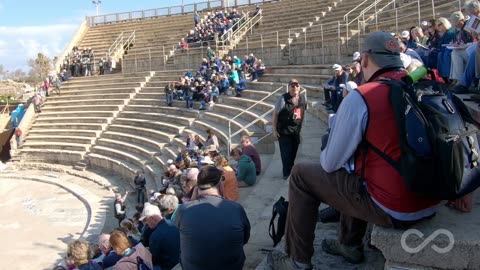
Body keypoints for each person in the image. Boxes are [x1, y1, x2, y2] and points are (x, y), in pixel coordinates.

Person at [266, 31, 448, 269]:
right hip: (433, 198)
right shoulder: (425, 82)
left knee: (301, 175)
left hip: (397, 208)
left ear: (364, 60)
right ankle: (349, 244)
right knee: (357, 166)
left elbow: (330, 164)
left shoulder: (363, 96)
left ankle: (297, 261)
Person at [175, 166, 250, 270]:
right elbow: (245, 238)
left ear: (197, 186)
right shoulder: (236, 208)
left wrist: (190, 202)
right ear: (220, 184)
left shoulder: (183, 209)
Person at [272, 79, 307, 179]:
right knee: (286, 155)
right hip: (284, 132)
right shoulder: (283, 99)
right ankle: (286, 175)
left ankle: (290, 172)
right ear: (289, 87)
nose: (295, 87)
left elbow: (303, 111)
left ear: (299, 87)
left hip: (295, 132)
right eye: (292, 86)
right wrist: (274, 130)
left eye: (296, 85)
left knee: (293, 154)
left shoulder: (302, 98)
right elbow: (275, 114)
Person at [139, 203, 180, 270]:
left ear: (152, 218)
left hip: (168, 266)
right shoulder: (172, 223)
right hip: (179, 260)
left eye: (146, 220)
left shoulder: (155, 236)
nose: (146, 223)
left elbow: (153, 259)